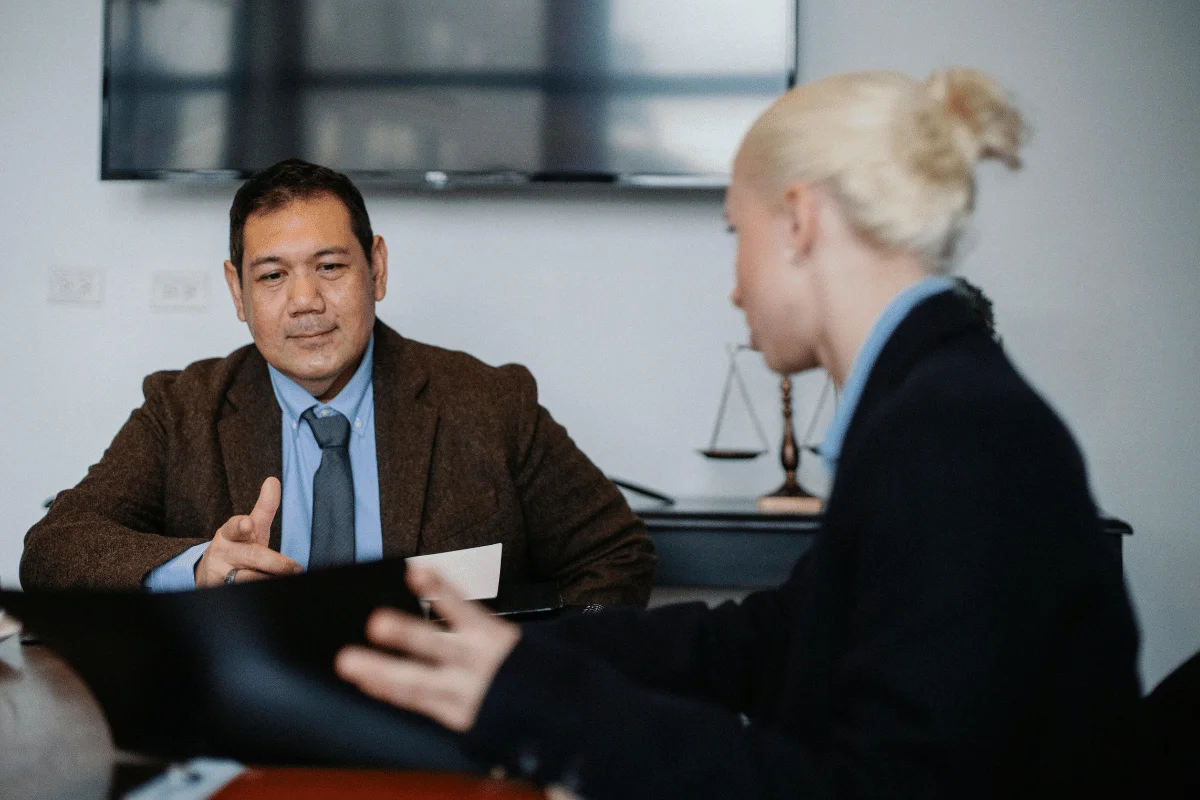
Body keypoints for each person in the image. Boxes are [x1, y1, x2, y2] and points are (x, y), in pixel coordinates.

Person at [334, 68, 1140, 798]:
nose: (733, 287)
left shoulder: (953, 437)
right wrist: (520, 661)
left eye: (735, 234)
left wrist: (549, 707)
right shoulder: (932, 408)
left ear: (798, 221)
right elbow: (765, 642)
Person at [20, 160, 655, 608]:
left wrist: (543, 682)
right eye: (272, 276)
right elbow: (54, 549)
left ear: (376, 268)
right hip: (255, 722)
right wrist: (199, 568)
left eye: (329, 267)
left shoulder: (489, 403)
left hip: (440, 719)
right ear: (238, 292)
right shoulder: (181, 409)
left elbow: (616, 554)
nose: (305, 302)